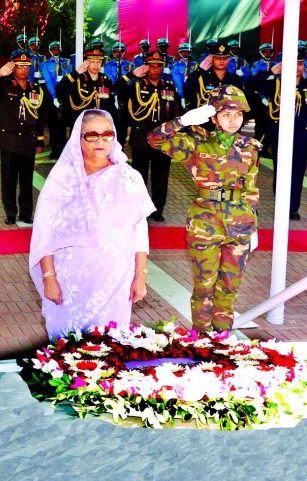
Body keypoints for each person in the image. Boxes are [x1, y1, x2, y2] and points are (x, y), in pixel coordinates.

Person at [29, 109, 154, 339]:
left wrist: (140, 276)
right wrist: (50, 278)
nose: (100, 140)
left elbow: (139, 231)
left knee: (110, 345)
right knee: (66, 350)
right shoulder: (63, 180)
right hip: (69, 283)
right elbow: (45, 233)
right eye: (92, 135)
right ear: (79, 138)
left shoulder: (129, 178)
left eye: (107, 134)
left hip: (115, 280)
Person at [148, 85, 260, 332]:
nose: (233, 120)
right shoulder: (197, 143)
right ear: (214, 117)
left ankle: (221, 340)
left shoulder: (250, 147)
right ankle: (201, 340)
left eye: (238, 115)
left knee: (229, 287)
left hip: (239, 224)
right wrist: (183, 120)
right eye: (226, 115)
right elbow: (155, 139)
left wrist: (254, 225)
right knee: (204, 287)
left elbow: (250, 188)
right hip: (205, 224)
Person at [0, 51, 50, 225]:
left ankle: (26, 213)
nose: (23, 69)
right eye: (19, 66)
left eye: (26, 66)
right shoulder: (4, 86)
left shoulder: (37, 90)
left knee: (26, 180)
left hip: (28, 140)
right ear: (13, 68)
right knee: (8, 179)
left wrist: (40, 139)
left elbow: (40, 116)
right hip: (8, 140)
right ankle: (10, 212)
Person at [115, 51, 179, 222]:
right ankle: (138, 209)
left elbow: (175, 112)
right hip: (141, 137)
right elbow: (117, 88)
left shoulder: (168, 87)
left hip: (163, 139)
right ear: (146, 67)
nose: (155, 70)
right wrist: (132, 75)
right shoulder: (137, 85)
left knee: (161, 177)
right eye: (152, 66)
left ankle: (157, 210)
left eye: (158, 66)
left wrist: (175, 133)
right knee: (139, 176)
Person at [258, 49, 307, 220]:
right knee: (281, 172)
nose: (296, 67)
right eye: (293, 64)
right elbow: (252, 85)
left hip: (302, 137)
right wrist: (272, 71)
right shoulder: (276, 84)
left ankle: (292, 208)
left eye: (299, 63)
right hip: (281, 135)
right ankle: (281, 206)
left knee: (298, 172)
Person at [56, 48, 117, 142]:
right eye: (92, 62)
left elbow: (110, 105)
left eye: (99, 62)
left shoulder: (105, 80)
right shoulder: (77, 78)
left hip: (100, 126)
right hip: (81, 125)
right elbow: (59, 90)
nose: (96, 65)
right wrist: (75, 73)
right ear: (86, 62)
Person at [183, 43, 244, 111]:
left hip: (226, 118)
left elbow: (240, 102)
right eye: (218, 58)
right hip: (205, 118)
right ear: (211, 59)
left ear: (228, 59)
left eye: (225, 58)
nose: (221, 61)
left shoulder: (235, 79)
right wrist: (199, 70)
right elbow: (187, 91)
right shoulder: (201, 77)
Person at [47, 40, 76, 157]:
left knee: (63, 123)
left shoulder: (68, 62)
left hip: (65, 94)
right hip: (52, 94)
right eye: (53, 49)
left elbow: (70, 77)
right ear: (50, 51)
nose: (56, 51)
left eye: (57, 49)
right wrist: (54, 97)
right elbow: (48, 81)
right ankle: (54, 149)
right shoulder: (46, 64)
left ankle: (62, 148)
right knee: (53, 123)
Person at [104, 41, 134, 144]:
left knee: (124, 119)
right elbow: (109, 80)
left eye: (121, 51)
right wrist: (115, 94)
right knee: (113, 118)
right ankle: (113, 141)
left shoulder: (130, 65)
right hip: (112, 94)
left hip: (125, 94)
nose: (119, 53)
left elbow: (132, 80)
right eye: (116, 51)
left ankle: (122, 140)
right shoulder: (107, 65)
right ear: (113, 52)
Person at [172, 42, 199, 110]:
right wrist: (182, 97)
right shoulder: (176, 66)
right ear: (179, 53)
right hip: (182, 93)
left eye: (187, 52)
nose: (186, 54)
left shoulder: (195, 65)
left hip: (194, 94)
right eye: (183, 52)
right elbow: (178, 83)